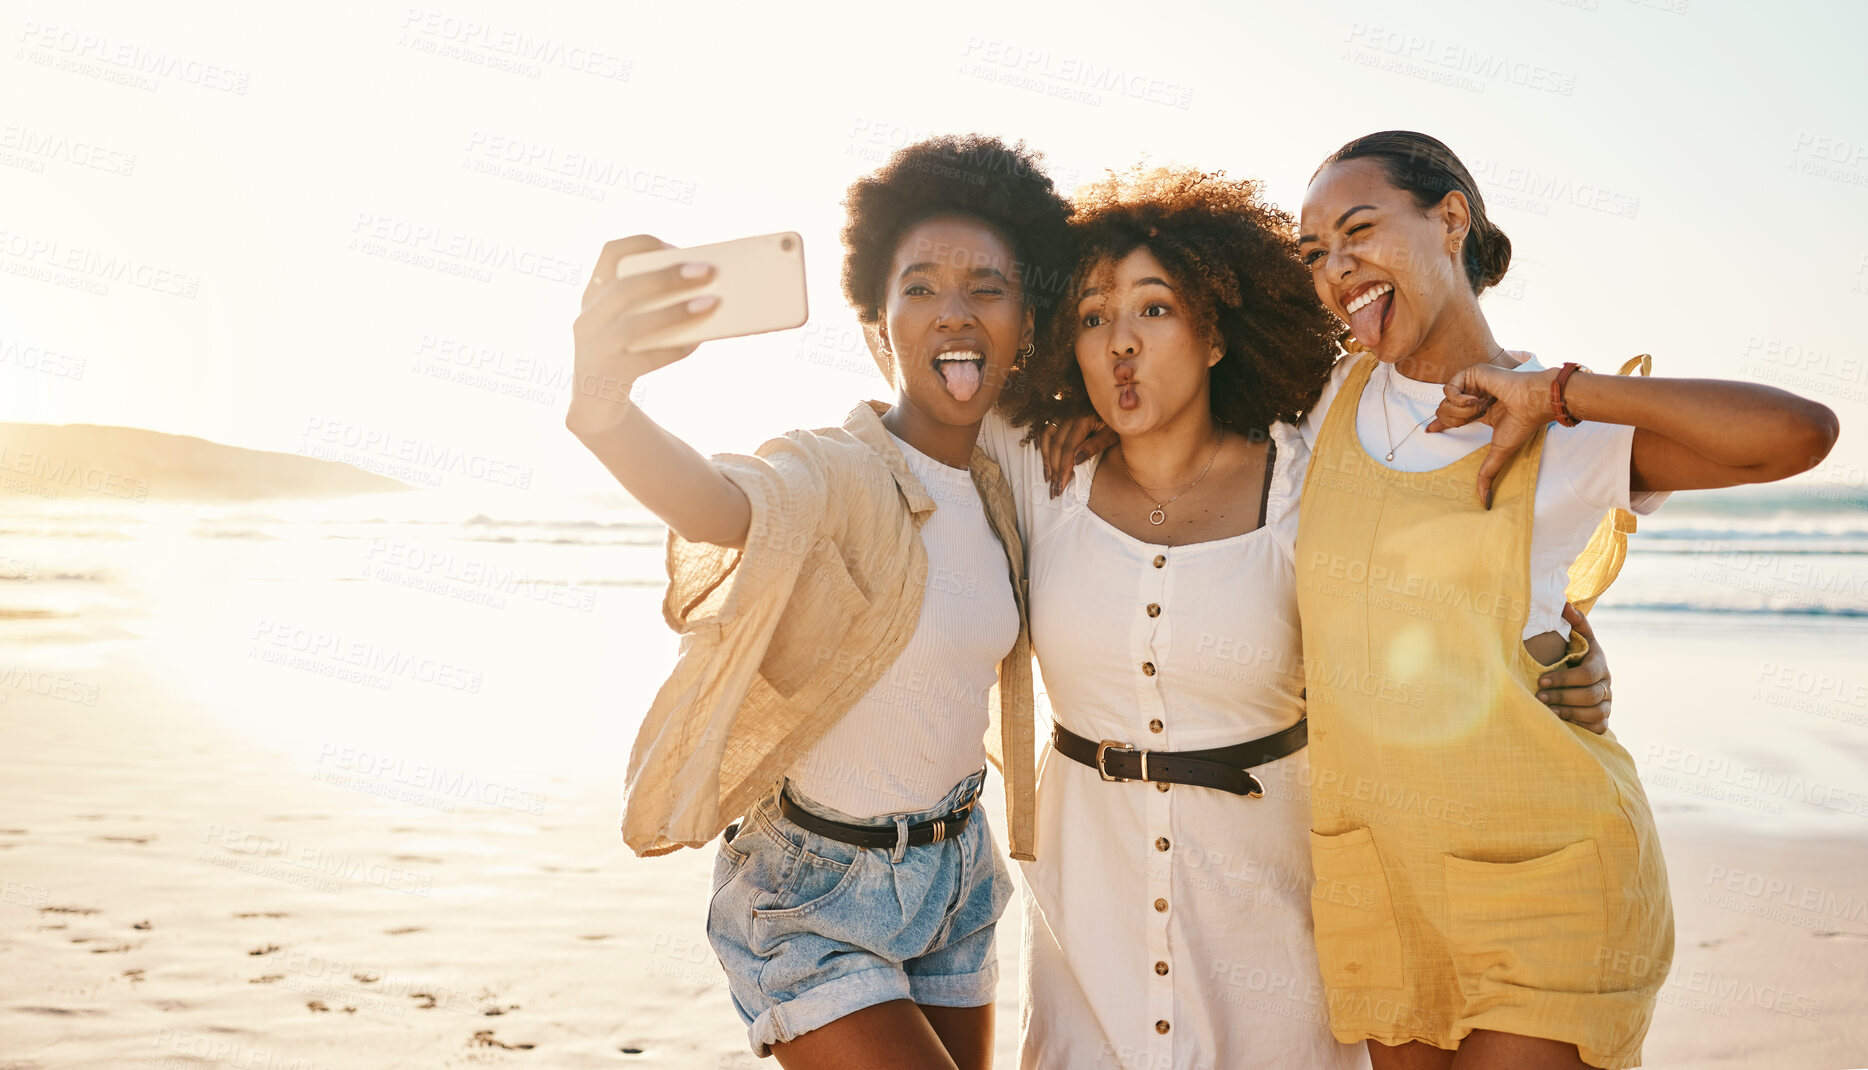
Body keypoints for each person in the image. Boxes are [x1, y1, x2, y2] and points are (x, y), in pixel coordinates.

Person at [980, 166, 1616, 1070]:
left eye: (1154, 310)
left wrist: (1559, 644)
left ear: (1212, 333)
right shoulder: (1042, 474)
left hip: (1274, 914)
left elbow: (1444, 549)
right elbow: (929, 377)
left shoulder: (1310, 465)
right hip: (1092, 919)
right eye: (1092, 318)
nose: (1120, 342)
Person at [1290, 130, 1840, 1070]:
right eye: (1315, 255)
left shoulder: (1566, 429)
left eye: (1359, 231)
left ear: (1450, 219)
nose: (1338, 269)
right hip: (1377, 881)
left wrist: (1559, 393)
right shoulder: (1318, 404)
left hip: (1551, 878)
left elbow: (1794, 435)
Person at [567, 134, 1072, 1070]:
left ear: (1028, 324)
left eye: (986, 289)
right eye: (918, 288)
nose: (952, 313)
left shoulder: (1011, 477)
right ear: (879, 326)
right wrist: (605, 409)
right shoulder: (836, 470)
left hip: (957, 872)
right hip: (816, 894)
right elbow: (727, 505)